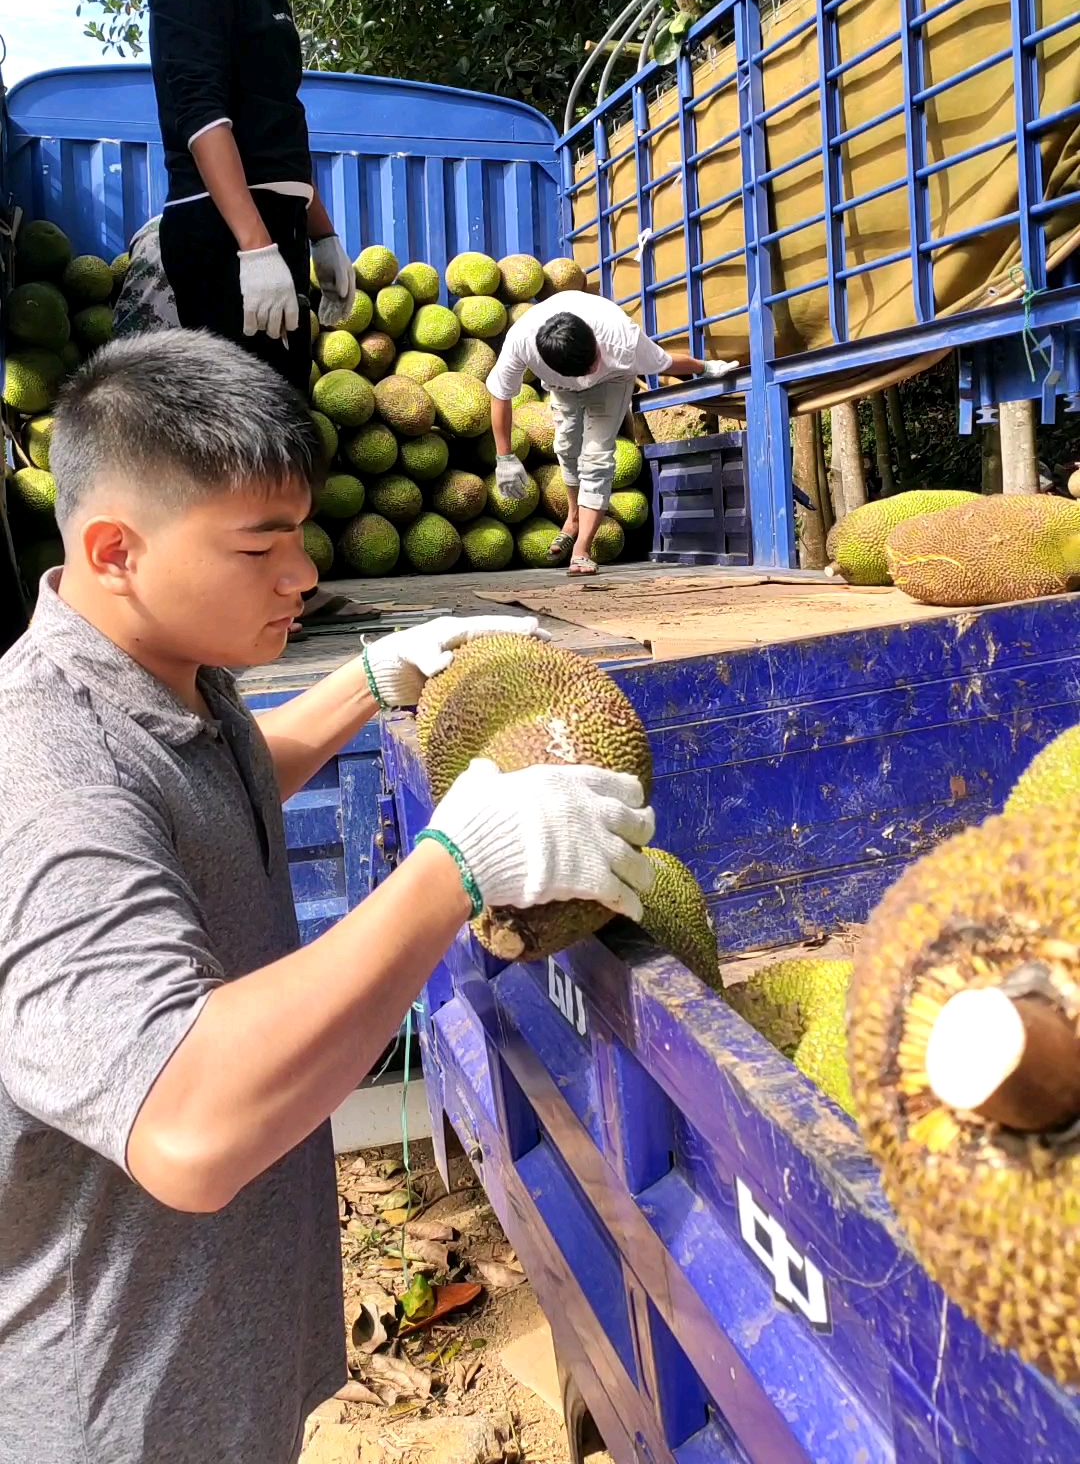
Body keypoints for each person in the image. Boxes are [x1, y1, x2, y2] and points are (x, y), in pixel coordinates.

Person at [0, 330, 656, 1464]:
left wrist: (369, 680)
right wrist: (454, 869)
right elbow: (187, 1124)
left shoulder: (172, 684)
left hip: (217, 1356)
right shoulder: (43, 768)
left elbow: (215, 787)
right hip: (119, 1411)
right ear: (114, 549)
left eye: (299, 534)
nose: (302, 575)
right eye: (262, 546)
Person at [148, 0, 355, 394]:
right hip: (225, 233)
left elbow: (275, 122)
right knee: (245, 449)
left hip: (270, 227)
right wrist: (253, 246)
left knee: (278, 429)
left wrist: (321, 231)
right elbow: (201, 115)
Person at [489, 289, 737, 574]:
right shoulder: (521, 342)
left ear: (594, 341)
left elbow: (664, 361)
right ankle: (573, 518)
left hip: (613, 380)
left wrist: (704, 367)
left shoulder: (621, 337)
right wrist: (504, 457)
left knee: (597, 456)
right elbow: (500, 395)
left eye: (593, 360)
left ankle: (581, 549)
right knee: (566, 448)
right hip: (562, 388)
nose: (590, 370)